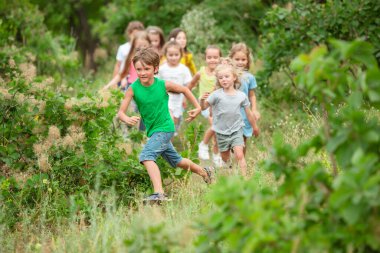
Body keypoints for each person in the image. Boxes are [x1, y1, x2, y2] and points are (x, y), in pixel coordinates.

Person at [117, 47, 212, 201]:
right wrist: (126, 118)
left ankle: (159, 193)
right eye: (139, 69)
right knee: (177, 161)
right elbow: (120, 112)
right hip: (153, 131)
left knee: (146, 156)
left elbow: (185, 90)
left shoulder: (162, 85)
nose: (142, 72)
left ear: (155, 69)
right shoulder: (133, 88)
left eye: (146, 69)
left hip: (166, 128)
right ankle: (204, 172)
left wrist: (197, 107)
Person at [200, 63, 259, 177]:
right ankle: (232, 174)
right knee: (226, 159)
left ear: (234, 77)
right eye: (221, 78)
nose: (224, 80)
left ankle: (244, 179)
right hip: (221, 132)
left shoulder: (241, 96)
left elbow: (249, 113)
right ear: (218, 80)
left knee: (239, 154)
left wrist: (255, 127)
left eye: (227, 76)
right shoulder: (216, 95)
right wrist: (202, 100)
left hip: (236, 130)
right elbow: (204, 107)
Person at [186, 45, 222, 166]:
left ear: (220, 58)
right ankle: (204, 144)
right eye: (209, 57)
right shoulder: (201, 72)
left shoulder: (221, 73)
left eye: (215, 57)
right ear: (205, 58)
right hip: (205, 104)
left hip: (219, 104)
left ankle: (216, 154)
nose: (212, 60)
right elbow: (191, 84)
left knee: (218, 130)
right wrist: (185, 96)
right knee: (216, 126)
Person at [229, 43, 260, 154]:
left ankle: (240, 164)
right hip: (231, 112)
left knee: (243, 140)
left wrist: (254, 110)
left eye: (243, 59)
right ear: (231, 59)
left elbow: (252, 95)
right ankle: (229, 158)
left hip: (245, 113)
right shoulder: (228, 75)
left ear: (247, 60)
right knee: (230, 139)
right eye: (237, 59)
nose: (240, 62)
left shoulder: (250, 77)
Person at [157, 41, 192, 134]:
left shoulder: (184, 69)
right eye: (170, 55)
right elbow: (156, 82)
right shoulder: (162, 68)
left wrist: (185, 98)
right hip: (165, 98)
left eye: (176, 55)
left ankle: (168, 145)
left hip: (178, 99)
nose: (173, 57)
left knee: (174, 124)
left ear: (181, 55)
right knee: (170, 121)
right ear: (166, 55)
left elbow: (188, 85)